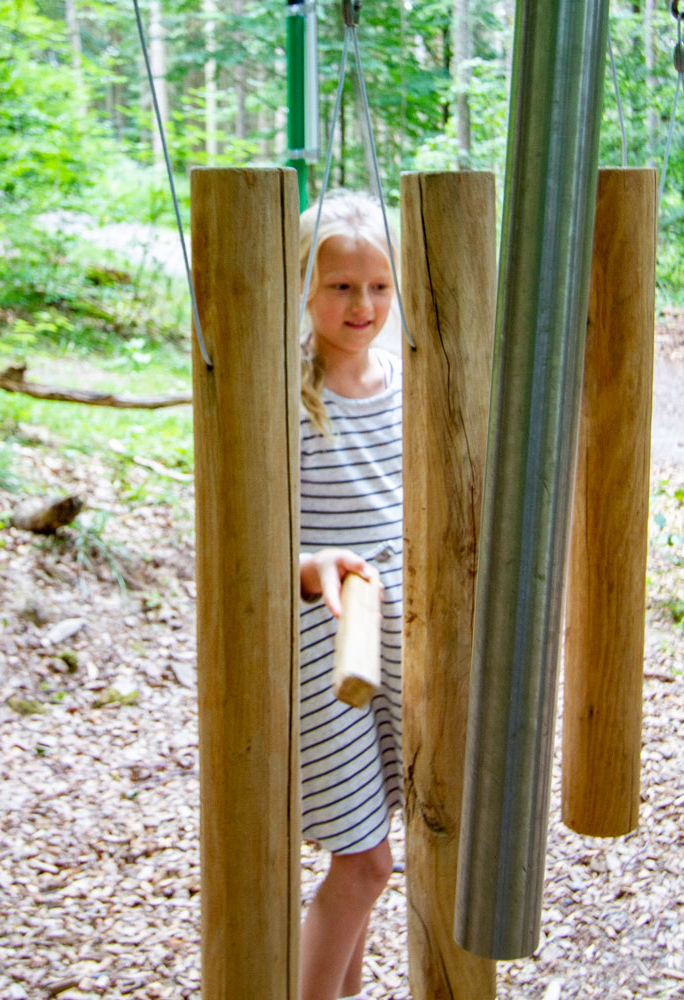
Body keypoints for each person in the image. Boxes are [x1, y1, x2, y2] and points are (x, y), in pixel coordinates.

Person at [295, 190, 404, 1000]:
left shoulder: (408, 382)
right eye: (340, 286)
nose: (362, 303)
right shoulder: (288, 397)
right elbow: (241, 534)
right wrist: (307, 565)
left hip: (400, 639)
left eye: (378, 285)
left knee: (374, 841)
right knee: (365, 862)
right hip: (324, 645)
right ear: (303, 286)